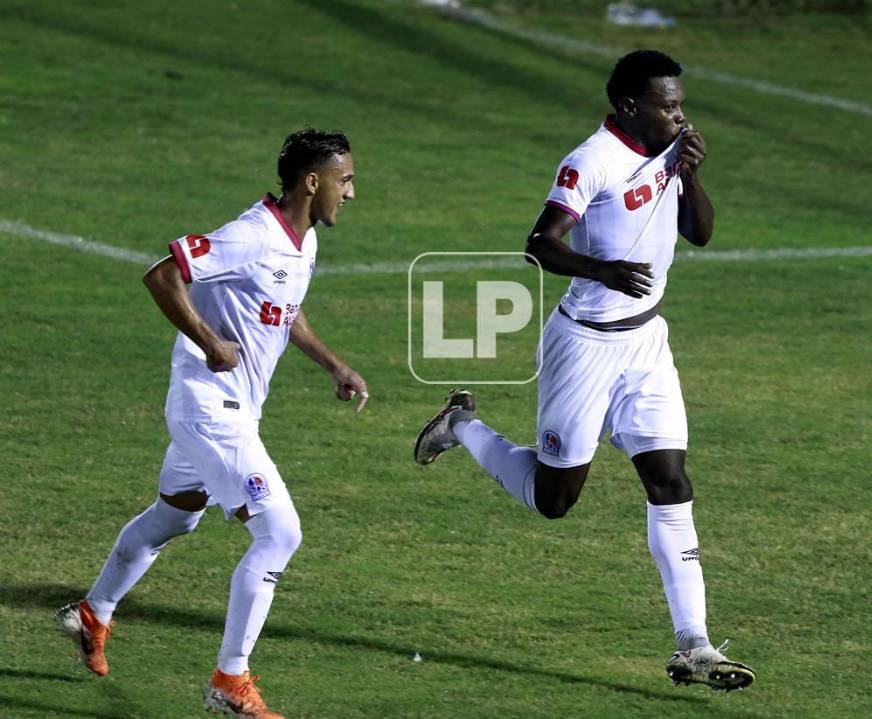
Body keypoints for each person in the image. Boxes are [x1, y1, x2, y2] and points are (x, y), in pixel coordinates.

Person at [414, 50, 754, 691]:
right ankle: (462, 426)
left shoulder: (669, 150)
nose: (681, 114)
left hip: (647, 344)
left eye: (681, 102)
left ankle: (696, 645)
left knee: (671, 482)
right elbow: (539, 243)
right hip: (586, 346)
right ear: (630, 105)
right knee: (554, 499)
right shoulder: (590, 160)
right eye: (669, 104)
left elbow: (701, 234)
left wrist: (691, 175)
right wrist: (604, 272)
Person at [56, 129, 367, 718]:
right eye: (345, 179)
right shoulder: (251, 235)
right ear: (312, 182)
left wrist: (333, 363)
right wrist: (209, 341)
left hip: (231, 408)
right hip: (209, 408)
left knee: (175, 515)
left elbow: (283, 313)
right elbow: (161, 275)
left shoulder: (302, 241)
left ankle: (93, 612)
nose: (350, 192)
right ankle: (230, 679)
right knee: (279, 534)